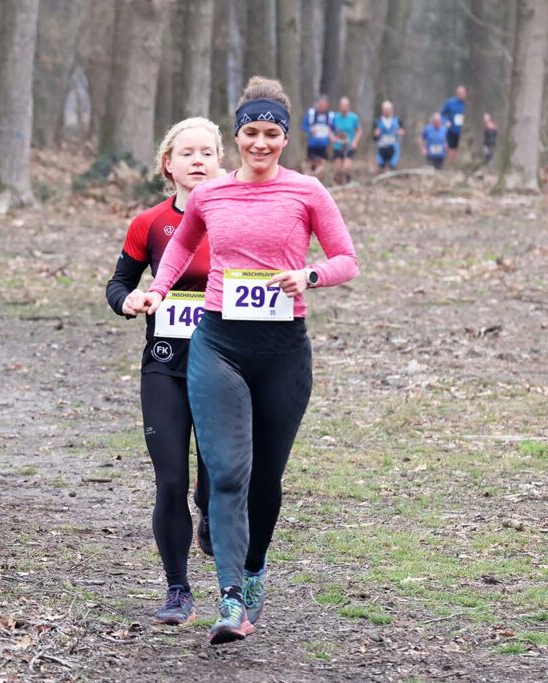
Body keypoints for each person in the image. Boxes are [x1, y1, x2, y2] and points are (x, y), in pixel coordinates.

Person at [130, 76, 359, 645]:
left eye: (271, 133)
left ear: (285, 137)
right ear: (237, 136)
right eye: (250, 132)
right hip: (219, 344)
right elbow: (182, 244)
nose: (260, 143)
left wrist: (308, 275)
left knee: (265, 478)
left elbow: (346, 259)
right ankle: (230, 598)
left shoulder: (307, 191)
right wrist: (159, 288)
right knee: (228, 472)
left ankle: (254, 568)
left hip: (283, 351)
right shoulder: (211, 195)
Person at [106, 118, 223, 625]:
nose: (199, 161)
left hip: (226, 364)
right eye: (188, 153)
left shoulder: (237, 216)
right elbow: (118, 284)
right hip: (166, 366)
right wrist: (128, 299)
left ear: (222, 161)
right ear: (167, 165)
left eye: (208, 153)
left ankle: (211, 510)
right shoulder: (149, 223)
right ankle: (178, 589)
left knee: (217, 477)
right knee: (170, 479)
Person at [331, 97, 361, 184]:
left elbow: (359, 130)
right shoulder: (334, 117)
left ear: (348, 106)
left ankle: (348, 181)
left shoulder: (354, 117)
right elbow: (329, 129)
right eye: (342, 106)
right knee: (337, 169)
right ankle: (337, 183)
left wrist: (355, 141)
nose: (344, 108)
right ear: (339, 106)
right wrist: (332, 137)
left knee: (346, 167)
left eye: (345, 106)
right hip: (338, 145)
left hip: (349, 145)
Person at [301, 95, 334, 177]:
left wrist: (331, 133)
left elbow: (334, 128)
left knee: (322, 164)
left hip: (324, 145)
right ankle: (309, 180)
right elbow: (303, 126)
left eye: (324, 105)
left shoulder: (330, 116)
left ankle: (318, 180)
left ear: (327, 105)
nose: (322, 107)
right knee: (311, 164)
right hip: (312, 145)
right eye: (320, 105)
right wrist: (310, 130)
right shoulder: (311, 113)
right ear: (317, 104)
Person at [373, 100, 404, 171]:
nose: (387, 111)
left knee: (392, 165)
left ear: (392, 110)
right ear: (382, 110)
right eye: (385, 109)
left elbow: (402, 130)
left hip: (393, 147)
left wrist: (400, 132)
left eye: (388, 109)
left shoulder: (397, 120)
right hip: (382, 147)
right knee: (381, 165)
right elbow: (374, 137)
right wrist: (376, 134)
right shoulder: (377, 121)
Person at [440, 85, 466, 166]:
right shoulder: (450, 103)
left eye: (462, 93)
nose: (461, 94)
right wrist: (446, 122)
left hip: (465, 131)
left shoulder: (468, 103)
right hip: (452, 130)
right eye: (459, 93)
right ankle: (452, 165)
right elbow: (442, 114)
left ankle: (463, 166)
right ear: (456, 93)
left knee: (463, 149)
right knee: (452, 149)